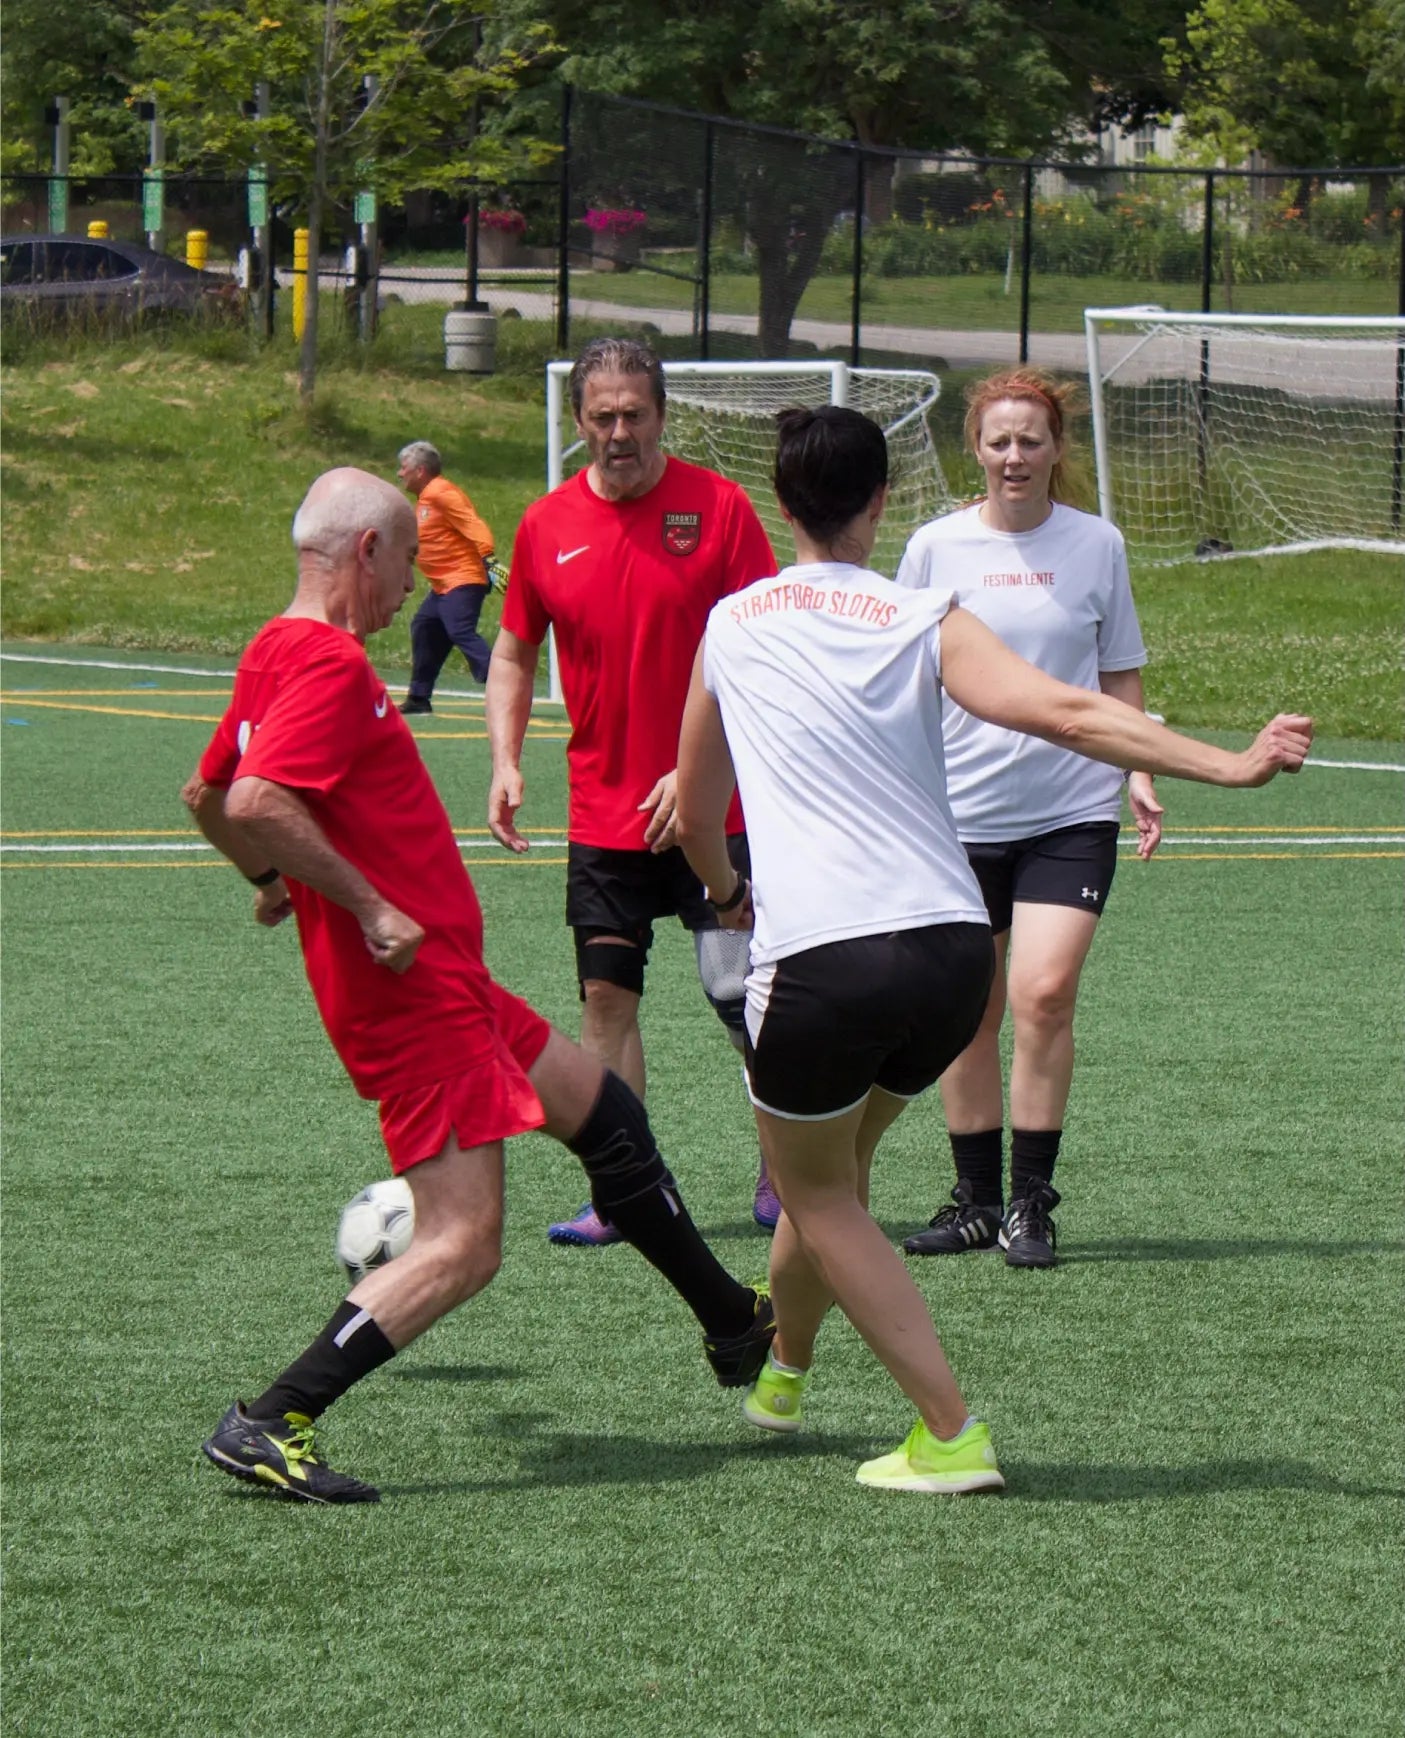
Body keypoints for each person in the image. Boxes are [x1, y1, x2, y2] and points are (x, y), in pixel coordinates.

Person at [675, 405, 1311, 1493]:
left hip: (824, 959)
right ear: (881, 503)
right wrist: (1229, 763)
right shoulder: (924, 611)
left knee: (817, 1190)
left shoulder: (733, 623)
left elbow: (694, 810)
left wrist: (728, 892)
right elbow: (1067, 711)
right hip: (949, 951)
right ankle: (783, 1368)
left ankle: (949, 1432)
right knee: (835, 1165)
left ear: (779, 505)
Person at [185, 467, 774, 1505]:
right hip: (407, 989)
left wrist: (271, 880)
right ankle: (272, 1417)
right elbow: (259, 794)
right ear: (367, 551)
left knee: (605, 1112)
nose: (415, 584)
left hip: (445, 977)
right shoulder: (321, 660)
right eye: (409, 559)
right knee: (464, 1241)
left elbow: (209, 794)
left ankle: (733, 1321)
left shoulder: (272, 650)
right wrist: (365, 906)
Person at [486, 336, 783, 1245]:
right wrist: (504, 757)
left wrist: (696, 768)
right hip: (604, 815)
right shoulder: (545, 525)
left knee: (738, 997)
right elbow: (513, 649)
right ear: (579, 421)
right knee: (605, 1003)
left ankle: (785, 1165)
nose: (619, 432)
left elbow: (768, 648)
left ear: (661, 416)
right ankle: (625, 1194)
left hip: (713, 810)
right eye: (602, 417)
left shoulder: (719, 509)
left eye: (635, 415)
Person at [897, 366, 1162, 1269]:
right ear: (974, 449)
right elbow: (905, 674)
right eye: (998, 440)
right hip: (956, 816)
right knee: (967, 1008)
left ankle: (1029, 1203)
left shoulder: (1097, 544)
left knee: (1042, 995)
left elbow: (1117, 673)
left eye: (1031, 440)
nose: (1015, 456)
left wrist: (1136, 771)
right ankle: (972, 1201)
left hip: (1069, 811)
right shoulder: (934, 547)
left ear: (1056, 449)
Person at [396, 440, 495, 713]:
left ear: (421, 471)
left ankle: (505, 684)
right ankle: (419, 698)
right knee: (424, 627)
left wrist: (489, 556)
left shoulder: (441, 492)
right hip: (443, 586)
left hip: (463, 579)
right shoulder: (426, 499)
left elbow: (471, 521)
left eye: (404, 468)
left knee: (459, 630)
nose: (399, 473)